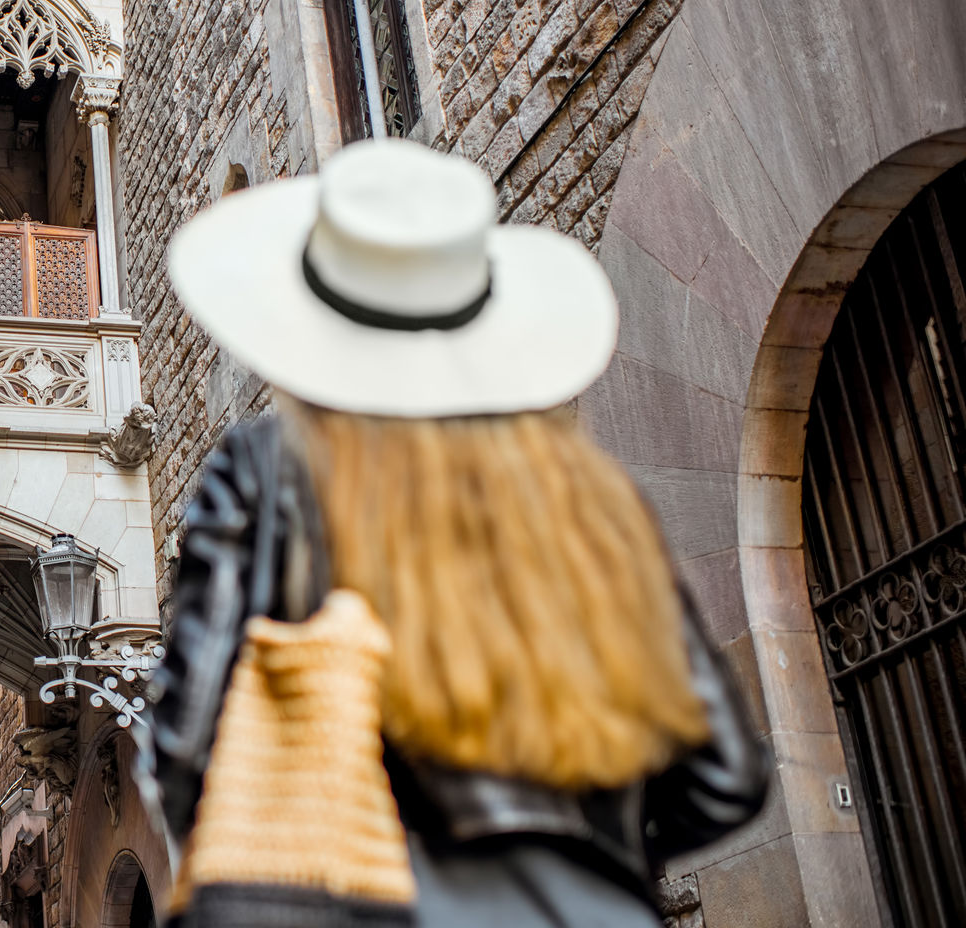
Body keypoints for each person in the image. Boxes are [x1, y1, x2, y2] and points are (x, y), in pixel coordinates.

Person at [142, 138, 769, 927]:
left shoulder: (269, 471)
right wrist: (588, 863)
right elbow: (726, 777)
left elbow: (188, 738)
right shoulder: (588, 499)